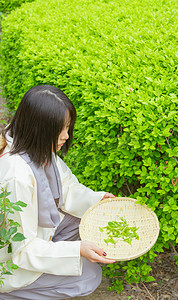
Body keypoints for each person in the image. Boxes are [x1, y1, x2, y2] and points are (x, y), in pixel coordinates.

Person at [0, 85, 116, 300]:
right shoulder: (16, 176)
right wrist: (76, 250)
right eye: (60, 129)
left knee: (87, 220)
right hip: (9, 259)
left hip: (34, 232)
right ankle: (13, 294)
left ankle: (51, 260)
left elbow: (67, 187)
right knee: (89, 277)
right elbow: (22, 249)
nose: (66, 135)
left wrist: (97, 199)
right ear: (39, 129)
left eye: (68, 127)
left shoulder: (31, 145)